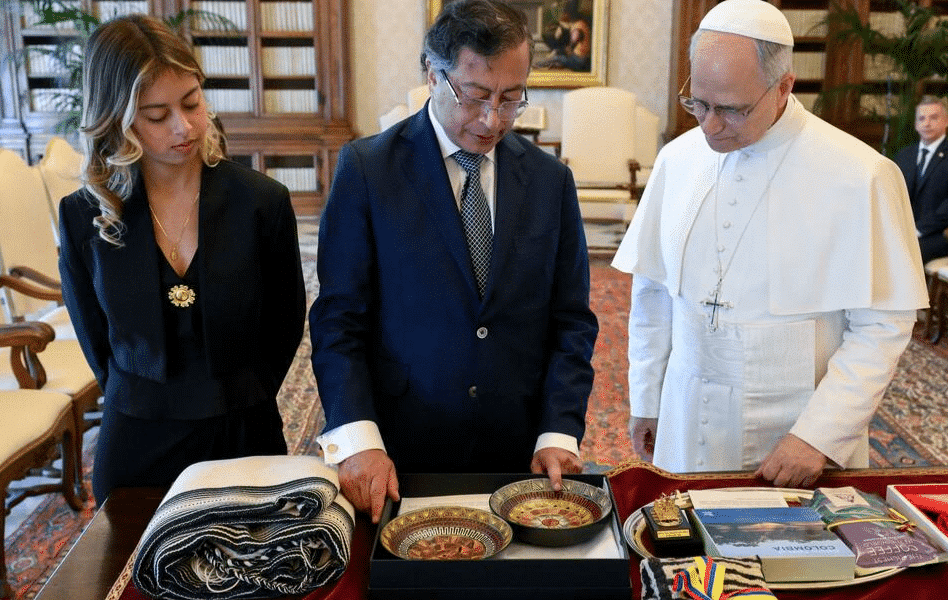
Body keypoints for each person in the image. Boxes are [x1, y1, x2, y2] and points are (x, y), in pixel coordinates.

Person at [612, 0, 927, 488]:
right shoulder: (677, 160)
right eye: (699, 103)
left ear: (784, 87)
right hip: (686, 410)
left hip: (797, 425)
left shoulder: (861, 174)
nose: (709, 126)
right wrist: (647, 399)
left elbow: (883, 326)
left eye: (732, 109)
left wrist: (818, 436)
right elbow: (652, 292)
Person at [310, 0, 598, 523]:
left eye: (511, 99)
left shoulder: (550, 181)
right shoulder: (369, 170)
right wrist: (357, 439)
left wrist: (558, 430)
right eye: (476, 95)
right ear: (432, 75)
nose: (492, 120)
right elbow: (338, 319)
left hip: (520, 452)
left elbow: (571, 319)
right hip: (400, 449)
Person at [58, 14, 306, 504]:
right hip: (136, 438)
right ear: (118, 119)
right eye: (157, 115)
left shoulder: (262, 202)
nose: (184, 126)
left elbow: (285, 322)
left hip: (244, 429)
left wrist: (246, 391)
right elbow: (94, 336)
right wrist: (139, 393)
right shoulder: (84, 215)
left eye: (192, 102)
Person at [893, 96, 948, 264]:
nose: (927, 123)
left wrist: (918, 229)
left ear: (946, 121)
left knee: (903, 253)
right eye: (921, 118)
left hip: (942, 234)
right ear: (916, 124)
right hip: (905, 228)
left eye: (933, 118)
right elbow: (893, 194)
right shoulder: (904, 155)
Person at [538, 6, 591, 72]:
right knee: (558, 55)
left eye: (563, 24)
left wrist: (567, 49)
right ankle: (541, 64)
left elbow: (575, 39)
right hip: (583, 58)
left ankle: (539, 65)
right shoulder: (581, 23)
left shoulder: (576, 27)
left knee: (557, 58)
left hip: (579, 60)